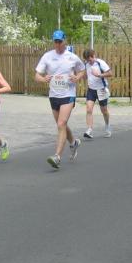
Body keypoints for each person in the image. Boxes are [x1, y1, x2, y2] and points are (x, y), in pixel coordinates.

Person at [34, 30, 86, 169]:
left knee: (61, 123)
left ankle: (57, 156)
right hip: (54, 95)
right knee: (61, 124)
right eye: (55, 42)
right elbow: (37, 76)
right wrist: (43, 79)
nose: (57, 44)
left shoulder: (72, 57)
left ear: (65, 41)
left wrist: (77, 77)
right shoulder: (47, 56)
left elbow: (82, 70)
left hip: (68, 94)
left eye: (60, 41)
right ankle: (73, 143)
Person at [82, 48, 113, 139]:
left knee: (104, 111)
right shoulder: (86, 64)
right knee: (89, 109)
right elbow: (85, 75)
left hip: (101, 90)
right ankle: (89, 130)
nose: (89, 62)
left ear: (93, 56)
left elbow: (110, 73)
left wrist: (99, 75)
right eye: (87, 60)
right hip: (91, 90)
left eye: (90, 59)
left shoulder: (100, 63)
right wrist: (83, 76)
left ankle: (107, 126)